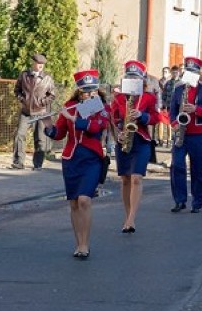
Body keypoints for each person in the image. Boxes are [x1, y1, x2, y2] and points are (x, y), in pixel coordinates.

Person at [43, 70, 111, 258]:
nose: (90, 95)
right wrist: (48, 125)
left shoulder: (102, 108)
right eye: (86, 92)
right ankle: (78, 242)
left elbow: (96, 127)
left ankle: (85, 244)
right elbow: (59, 134)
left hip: (91, 158)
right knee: (74, 202)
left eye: (93, 91)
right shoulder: (69, 106)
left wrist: (74, 118)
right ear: (79, 92)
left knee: (84, 200)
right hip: (71, 159)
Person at [112, 60, 160, 234]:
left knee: (136, 178)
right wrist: (118, 132)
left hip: (141, 140)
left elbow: (156, 118)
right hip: (124, 139)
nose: (133, 80)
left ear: (142, 79)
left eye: (136, 77)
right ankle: (127, 216)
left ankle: (132, 218)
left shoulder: (149, 97)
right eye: (129, 77)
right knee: (125, 179)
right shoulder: (118, 98)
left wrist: (142, 115)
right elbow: (114, 119)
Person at [169, 57, 202, 213]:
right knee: (176, 165)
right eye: (188, 72)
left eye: (193, 72)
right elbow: (172, 112)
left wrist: (197, 109)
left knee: (198, 169)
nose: (190, 76)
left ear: (198, 73)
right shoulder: (178, 89)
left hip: (198, 135)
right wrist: (175, 124)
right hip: (181, 133)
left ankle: (197, 201)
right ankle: (179, 200)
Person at [13, 53, 56, 170]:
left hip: (41, 112)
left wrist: (42, 102)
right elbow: (17, 90)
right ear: (33, 63)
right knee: (19, 135)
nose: (40, 65)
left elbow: (52, 95)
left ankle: (38, 164)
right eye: (38, 63)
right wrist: (23, 99)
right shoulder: (24, 75)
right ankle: (18, 162)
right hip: (26, 111)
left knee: (40, 138)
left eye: (42, 64)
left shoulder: (47, 78)